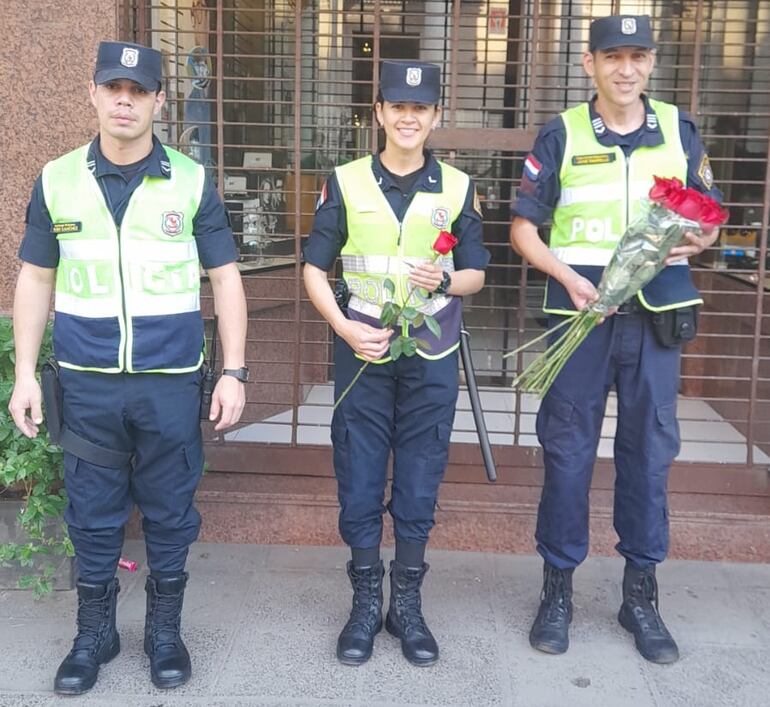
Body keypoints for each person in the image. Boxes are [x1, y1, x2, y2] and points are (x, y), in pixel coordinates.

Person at [8, 41, 247, 694]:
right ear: (92, 93)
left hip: (170, 384)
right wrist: (26, 373)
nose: (124, 99)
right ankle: (95, 633)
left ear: (158, 101)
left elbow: (225, 278)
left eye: (139, 90)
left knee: (171, 510)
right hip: (86, 383)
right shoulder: (57, 179)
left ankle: (164, 632)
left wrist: (235, 370)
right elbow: (35, 277)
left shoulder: (192, 181)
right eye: (113, 87)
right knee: (90, 512)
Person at [509, 15, 723, 665]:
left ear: (652, 62)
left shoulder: (679, 132)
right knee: (567, 454)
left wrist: (703, 239)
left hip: (656, 319)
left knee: (649, 455)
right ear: (588, 63)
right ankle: (558, 590)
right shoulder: (563, 133)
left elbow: (706, 215)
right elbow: (523, 229)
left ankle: (640, 595)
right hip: (581, 316)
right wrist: (567, 276)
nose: (625, 68)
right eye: (612, 56)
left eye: (637, 56)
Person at [303, 60, 489, 667]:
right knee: (358, 469)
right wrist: (344, 326)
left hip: (429, 353)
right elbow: (314, 268)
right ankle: (364, 601)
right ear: (379, 112)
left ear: (436, 116)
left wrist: (448, 276)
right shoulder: (346, 180)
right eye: (396, 106)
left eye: (421, 108)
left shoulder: (458, 187)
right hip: (362, 351)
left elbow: (479, 273)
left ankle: (405, 602)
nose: (408, 117)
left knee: (420, 471)